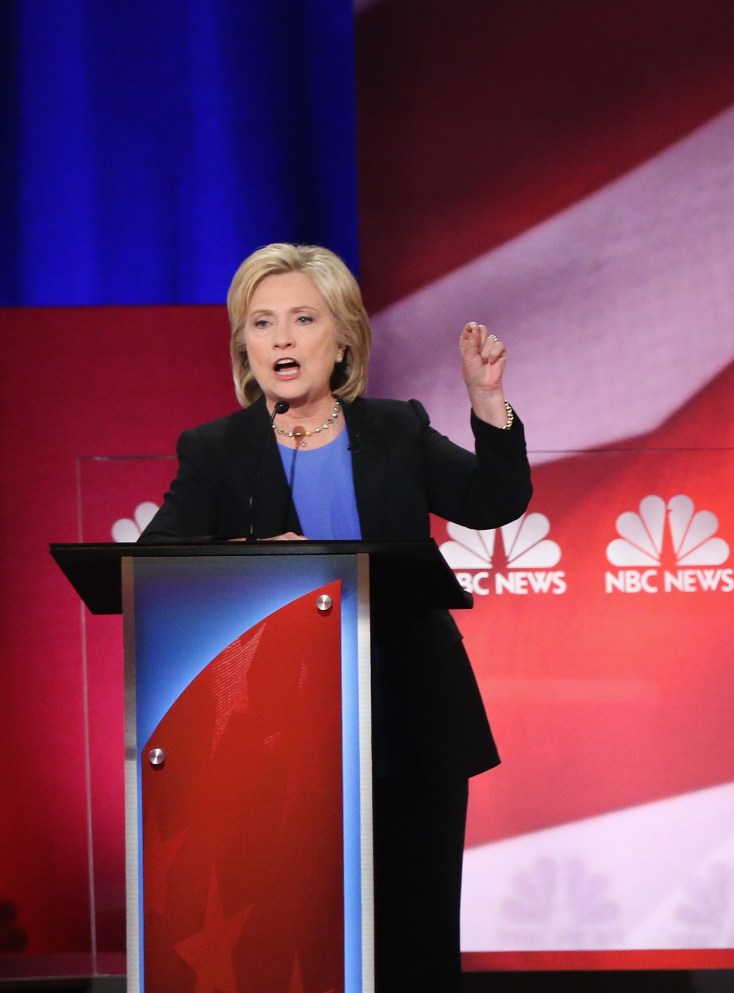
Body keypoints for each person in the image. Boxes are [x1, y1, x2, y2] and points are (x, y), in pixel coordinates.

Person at [141, 243, 532, 990]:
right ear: (244, 344)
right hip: (274, 747)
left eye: (301, 318)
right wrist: (257, 553)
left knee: (414, 950)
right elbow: (159, 563)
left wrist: (489, 405)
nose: (281, 339)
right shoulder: (217, 451)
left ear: (343, 336)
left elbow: (493, 500)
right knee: (296, 953)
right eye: (261, 322)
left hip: (409, 728)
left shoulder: (396, 429)